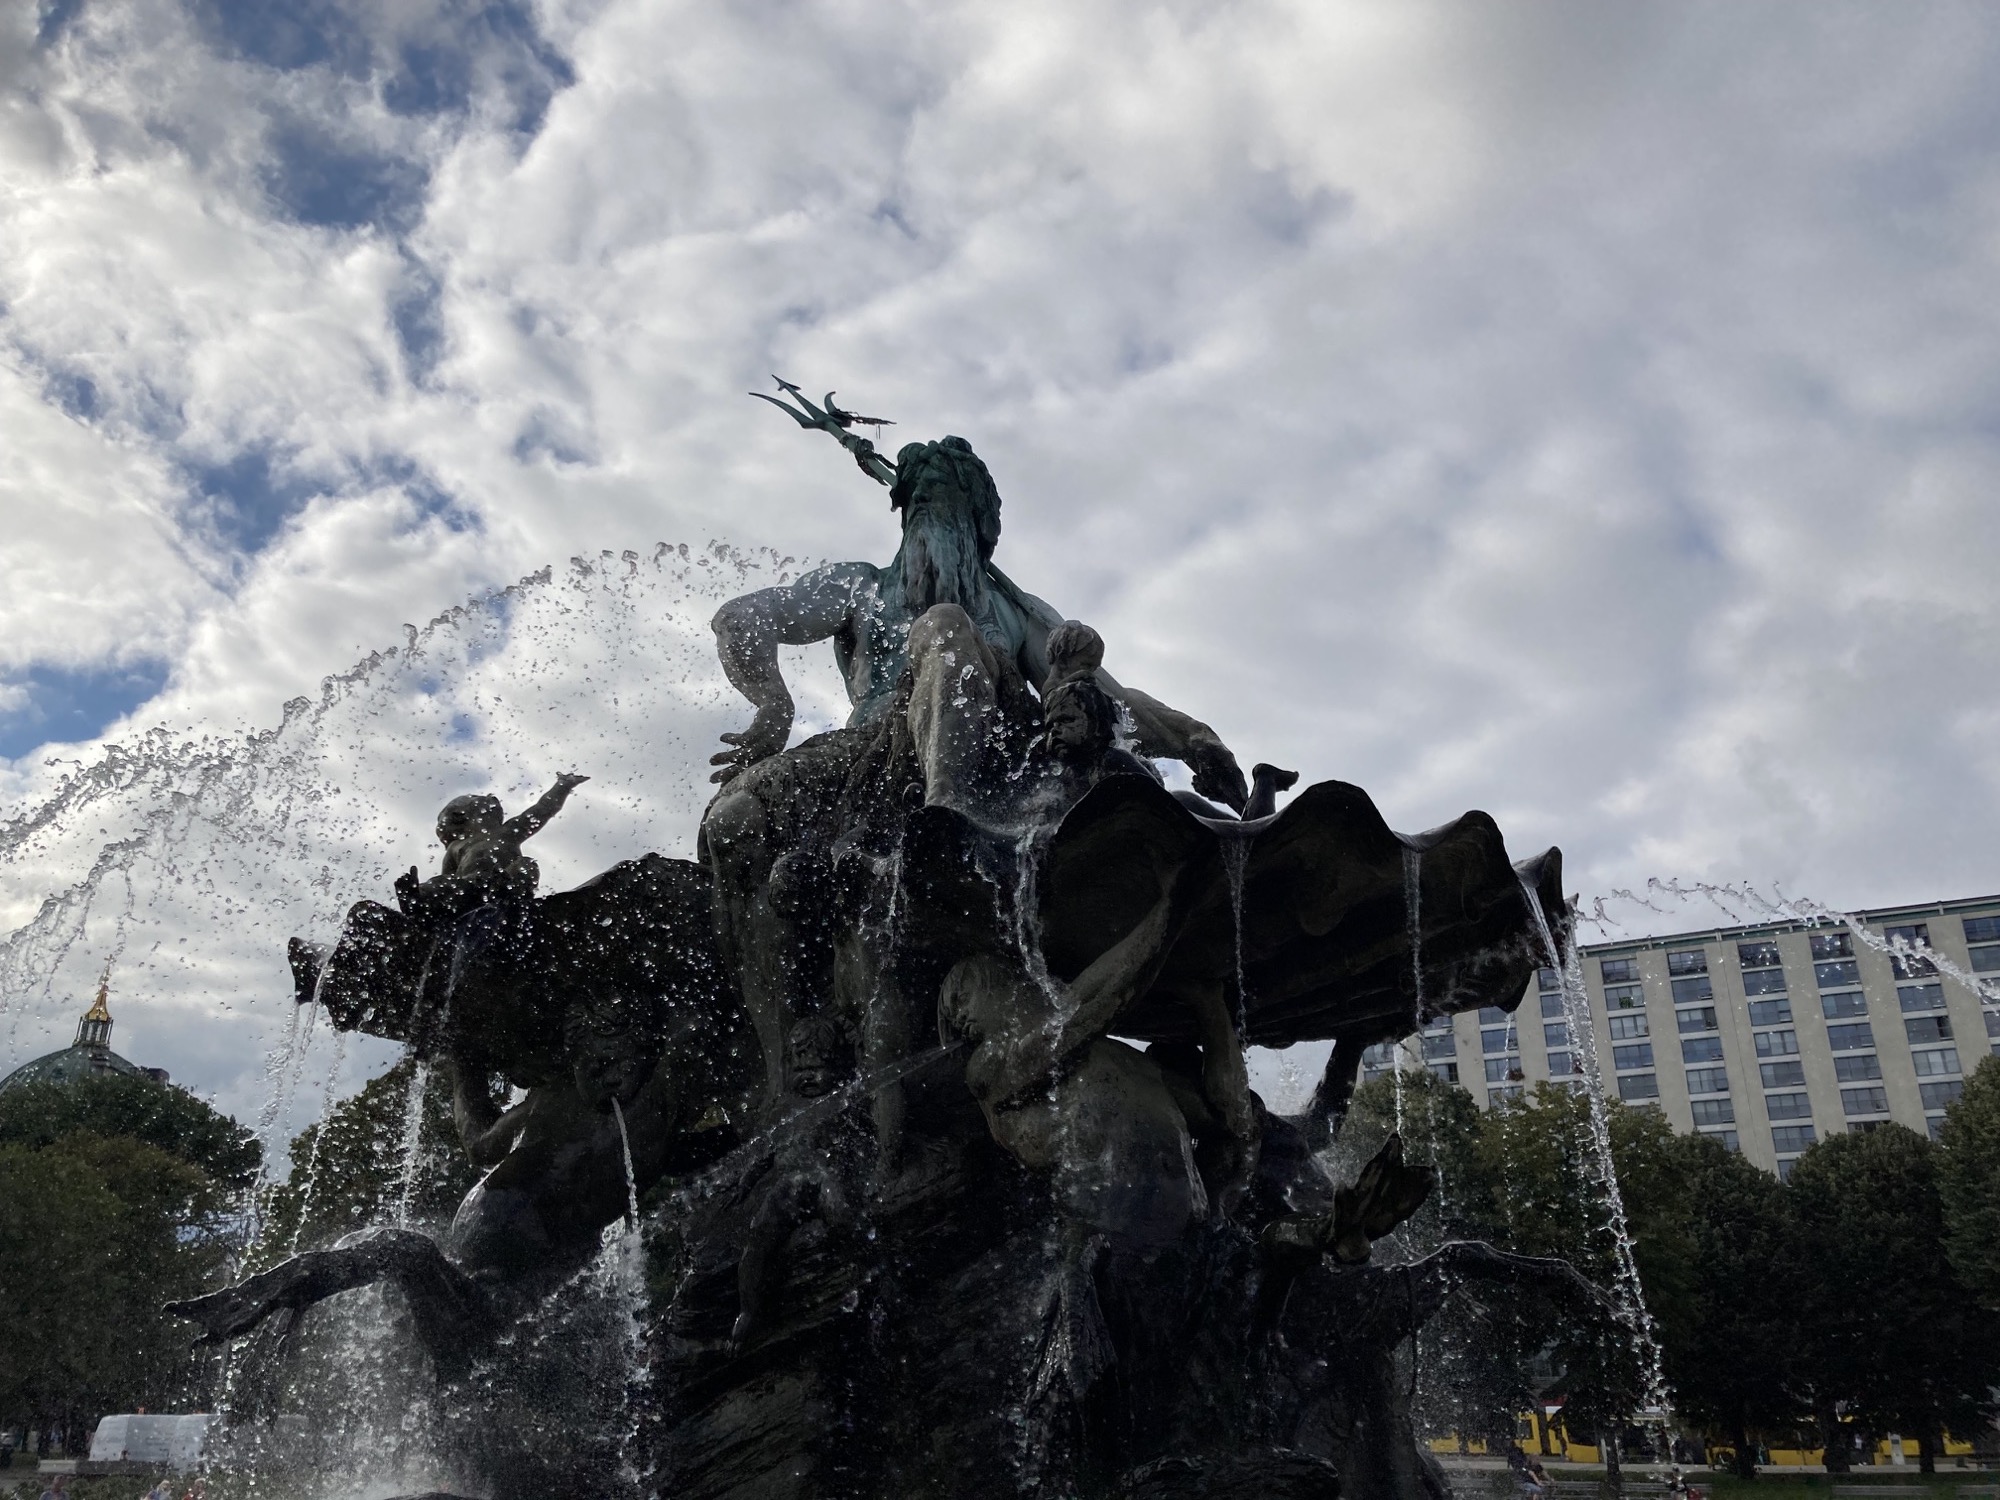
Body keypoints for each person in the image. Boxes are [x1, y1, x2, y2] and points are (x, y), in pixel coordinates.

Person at [702, 435, 1248, 1108]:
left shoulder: (1012, 611)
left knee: (946, 626)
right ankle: (774, 1071)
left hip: (994, 765)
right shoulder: (860, 587)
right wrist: (772, 704)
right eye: (918, 504)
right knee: (732, 823)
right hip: (868, 750)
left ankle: (945, 823)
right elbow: (742, 618)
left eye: (949, 504)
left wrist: (1195, 740)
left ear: (981, 528)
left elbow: (1105, 697)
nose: (928, 520)